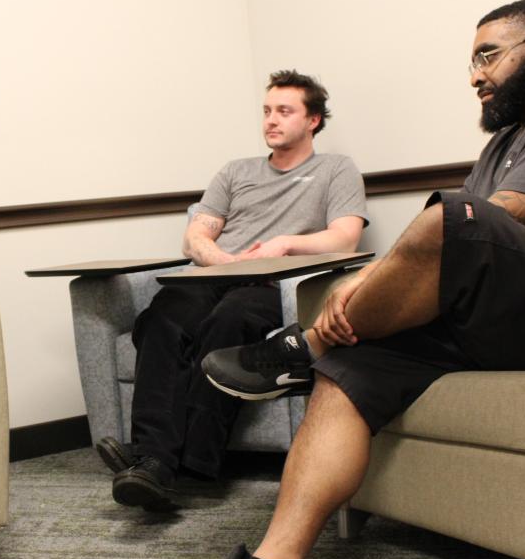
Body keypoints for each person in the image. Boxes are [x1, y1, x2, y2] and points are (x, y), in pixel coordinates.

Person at [151, 0, 525, 559]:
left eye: (487, 56)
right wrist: (373, 280)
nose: (475, 76)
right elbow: (450, 244)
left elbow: (499, 217)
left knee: (457, 215)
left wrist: (376, 272)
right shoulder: (505, 142)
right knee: (348, 370)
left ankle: (297, 348)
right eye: (471, 61)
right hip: (498, 314)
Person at [98, 71, 368, 511]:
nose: (271, 120)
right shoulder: (235, 171)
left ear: (313, 120)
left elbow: (345, 238)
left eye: (285, 111)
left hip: (272, 282)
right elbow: (196, 236)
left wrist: (285, 244)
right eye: (267, 111)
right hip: (216, 272)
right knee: (160, 318)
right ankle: (155, 461)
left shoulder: (335, 170)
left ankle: (176, 463)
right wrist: (223, 261)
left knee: (229, 322)